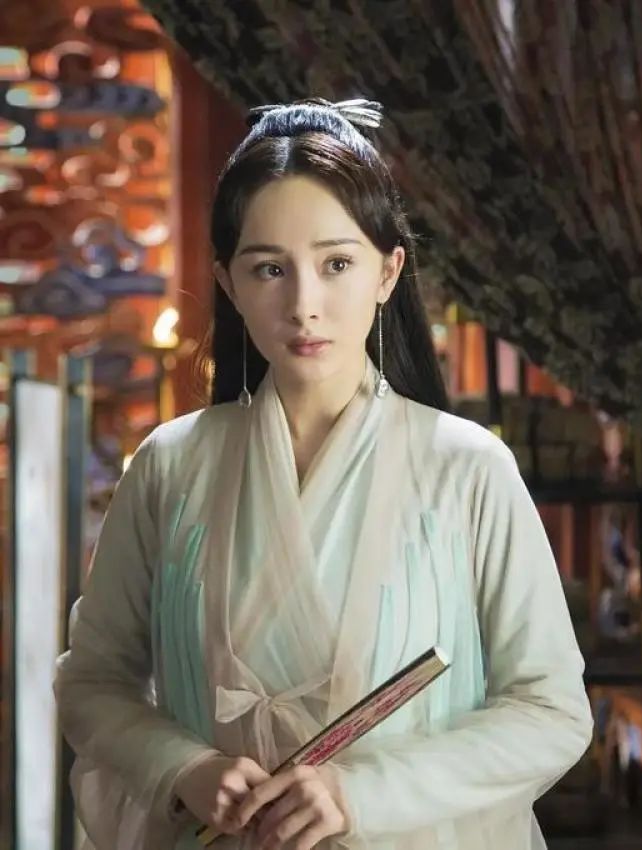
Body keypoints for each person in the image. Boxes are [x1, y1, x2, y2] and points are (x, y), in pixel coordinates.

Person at [54, 98, 593, 850]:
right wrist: (183, 766)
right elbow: (91, 683)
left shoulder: (468, 468)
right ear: (229, 284)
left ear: (388, 271)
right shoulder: (170, 466)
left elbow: (551, 710)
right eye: (269, 269)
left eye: (337, 264)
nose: (304, 305)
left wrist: (358, 794)